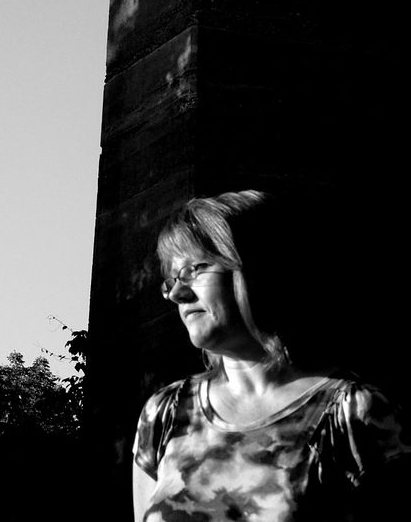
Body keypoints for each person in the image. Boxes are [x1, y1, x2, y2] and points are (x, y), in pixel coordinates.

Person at [132, 190, 410, 521]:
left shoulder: (353, 414)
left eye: (196, 268)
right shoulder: (164, 413)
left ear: (259, 269)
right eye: (173, 279)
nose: (178, 293)